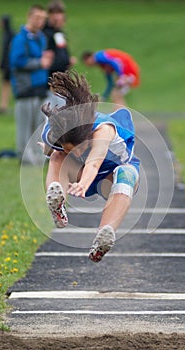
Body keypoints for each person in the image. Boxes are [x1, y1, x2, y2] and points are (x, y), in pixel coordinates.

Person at [39, 70, 140, 262]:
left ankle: (105, 233)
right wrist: (49, 150)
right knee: (56, 156)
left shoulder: (104, 130)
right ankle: (57, 202)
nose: (77, 152)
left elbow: (94, 164)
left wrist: (84, 183)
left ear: (88, 136)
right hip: (80, 171)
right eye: (72, 149)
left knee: (125, 173)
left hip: (110, 175)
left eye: (80, 147)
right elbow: (48, 148)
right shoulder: (56, 130)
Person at [10, 5, 53, 164]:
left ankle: (39, 158)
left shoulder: (41, 37)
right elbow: (16, 61)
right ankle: (25, 159)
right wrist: (39, 63)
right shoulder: (21, 38)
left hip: (40, 88)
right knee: (25, 127)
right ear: (29, 17)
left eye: (43, 18)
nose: (40, 21)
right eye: (37, 18)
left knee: (39, 126)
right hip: (25, 88)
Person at [43, 0, 77, 79]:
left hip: (62, 74)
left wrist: (68, 60)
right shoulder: (44, 33)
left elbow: (61, 51)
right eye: (54, 13)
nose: (56, 17)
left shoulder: (59, 32)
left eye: (59, 13)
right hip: (50, 77)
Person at [0, 15, 14, 114]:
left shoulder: (9, 35)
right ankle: (3, 105)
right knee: (5, 84)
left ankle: (4, 105)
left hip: (9, 65)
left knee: (7, 84)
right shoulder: (6, 34)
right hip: (7, 65)